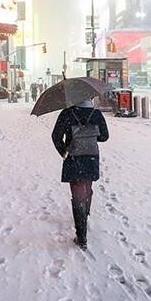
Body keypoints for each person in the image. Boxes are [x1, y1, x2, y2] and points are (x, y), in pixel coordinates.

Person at [51, 99, 109, 248]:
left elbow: (56, 136)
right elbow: (104, 136)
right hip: (90, 157)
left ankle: (81, 237)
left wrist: (64, 152)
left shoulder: (67, 113)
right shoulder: (96, 113)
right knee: (87, 188)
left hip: (74, 158)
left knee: (77, 195)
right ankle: (85, 213)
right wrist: (89, 134)